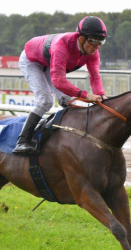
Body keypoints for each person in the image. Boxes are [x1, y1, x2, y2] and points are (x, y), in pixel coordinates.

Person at [12, 16, 109, 156]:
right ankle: (22, 141)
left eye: (101, 41)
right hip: (32, 60)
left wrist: (101, 95)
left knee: (67, 101)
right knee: (45, 101)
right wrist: (86, 95)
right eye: (94, 40)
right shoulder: (62, 45)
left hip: (48, 62)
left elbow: (95, 76)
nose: (97, 46)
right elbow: (58, 81)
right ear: (81, 38)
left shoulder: (93, 53)